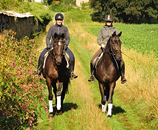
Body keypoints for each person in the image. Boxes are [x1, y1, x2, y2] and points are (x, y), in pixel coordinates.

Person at [35, 13, 78, 80]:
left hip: (62, 46)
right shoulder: (52, 28)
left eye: (60, 20)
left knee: (71, 56)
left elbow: (68, 38)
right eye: (58, 20)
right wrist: (48, 45)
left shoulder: (65, 28)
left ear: (62, 20)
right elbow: (48, 38)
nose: (59, 21)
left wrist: (66, 45)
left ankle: (71, 72)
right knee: (41, 55)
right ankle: (39, 70)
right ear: (56, 20)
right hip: (52, 45)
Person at [88, 14, 127, 84]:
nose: (108, 22)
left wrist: (117, 48)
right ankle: (92, 75)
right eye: (107, 21)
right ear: (105, 22)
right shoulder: (102, 29)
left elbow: (117, 40)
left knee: (122, 62)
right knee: (92, 60)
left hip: (113, 49)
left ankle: (122, 76)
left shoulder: (115, 29)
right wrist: (101, 44)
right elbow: (98, 39)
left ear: (112, 22)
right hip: (104, 48)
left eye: (110, 21)